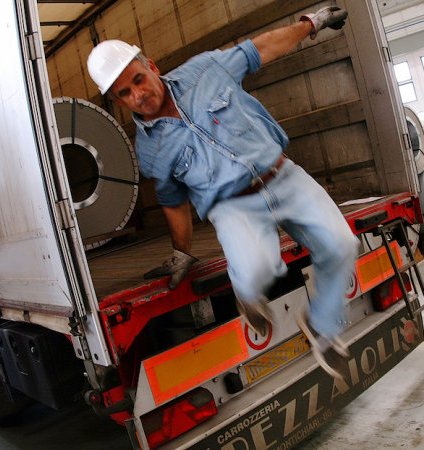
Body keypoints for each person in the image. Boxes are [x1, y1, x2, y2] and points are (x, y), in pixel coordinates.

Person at [87, 6, 358, 380]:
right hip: (232, 207)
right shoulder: (149, 150)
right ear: (118, 102)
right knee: (258, 270)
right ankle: (246, 293)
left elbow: (262, 48)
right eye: (125, 93)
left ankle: (323, 327)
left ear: (151, 66)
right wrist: (182, 253)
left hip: (283, 176)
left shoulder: (205, 71)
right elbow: (174, 202)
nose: (139, 94)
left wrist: (311, 23)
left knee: (342, 245)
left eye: (139, 79)